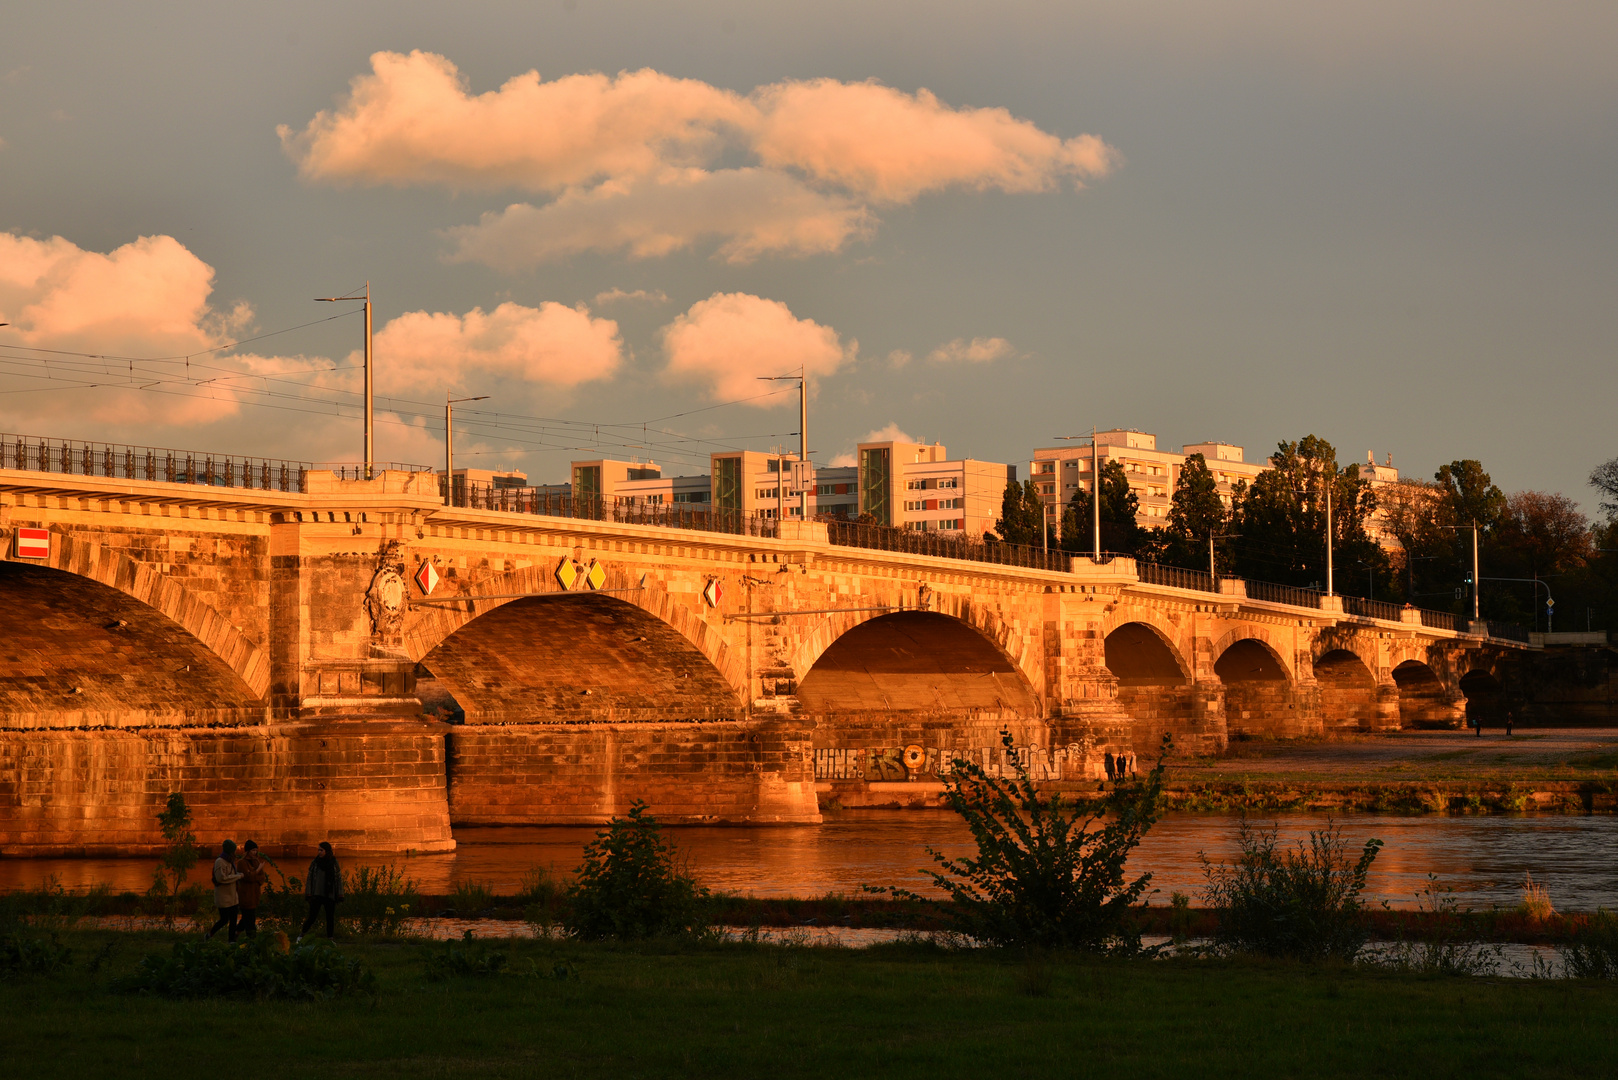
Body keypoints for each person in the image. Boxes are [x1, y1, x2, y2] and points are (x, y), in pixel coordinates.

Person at [299, 841, 343, 941]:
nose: (319, 852)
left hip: (329, 894)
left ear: (327, 851)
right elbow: (309, 878)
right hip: (317, 894)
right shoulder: (315, 863)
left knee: (330, 918)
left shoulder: (333, 863)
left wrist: (340, 894)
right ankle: (301, 935)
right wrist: (308, 893)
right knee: (312, 917)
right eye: (318, 850)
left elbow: (338, 879)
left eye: (321, 850)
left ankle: (330, 939)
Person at [204, 839, 243, 942]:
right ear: (230, 851)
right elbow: (221, 878)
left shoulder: (230, 861)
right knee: (224, 920)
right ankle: (209, 934)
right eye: (233, 851)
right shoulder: (220, 862)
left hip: (233, 897)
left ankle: (231, 941)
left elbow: (231, 876)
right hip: (224, 897)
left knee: (234, 920)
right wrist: (238, 876)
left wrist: (237, 876)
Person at [236, 840, 268, 938]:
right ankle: (252, 938)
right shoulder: (242, 863)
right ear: (248, 851)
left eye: (256, 850)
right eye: (253, 850)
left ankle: (235, 933)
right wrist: (257, 871)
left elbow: (262, 877)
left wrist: (254, 875)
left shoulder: (256, 861)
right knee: (250, 918)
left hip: (254, 894)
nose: (255, 852)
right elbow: (248, 877)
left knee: (247, 917)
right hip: (246, 895)